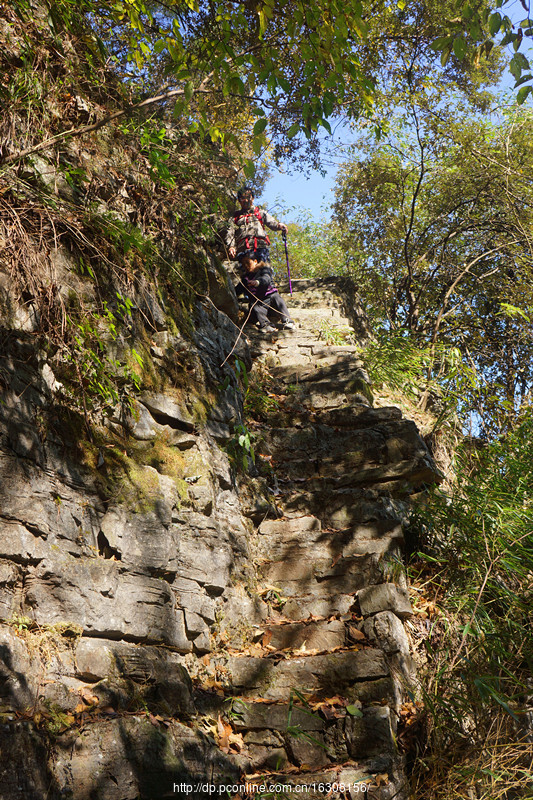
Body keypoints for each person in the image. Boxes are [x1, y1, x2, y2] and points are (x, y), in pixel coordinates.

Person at [227, 186, 294, 331]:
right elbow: (230, 233)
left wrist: (279, 225)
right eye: (243, 198)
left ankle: (269, 292)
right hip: (243, 249)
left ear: (253, 198)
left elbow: (271, 223)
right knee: (246, 273)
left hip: (261, 247)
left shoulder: (260, 213)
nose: (246, 200)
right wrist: (231, 246)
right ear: (239, 200)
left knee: (265, 271)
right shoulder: (235, 217)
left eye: (248, 197)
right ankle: (250, 296)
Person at [238, 255, 295, 331]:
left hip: (272, 303)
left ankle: (287, 320)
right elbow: (237, 290)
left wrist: (257, 282)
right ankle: (265, 325)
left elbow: (266, 279)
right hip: (260, 306)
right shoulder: (245, 279)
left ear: (255, 261)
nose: (246, 266)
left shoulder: (264, 270)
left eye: (248, 262)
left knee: (276, 297)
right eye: (243, 264)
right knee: (254, 305)